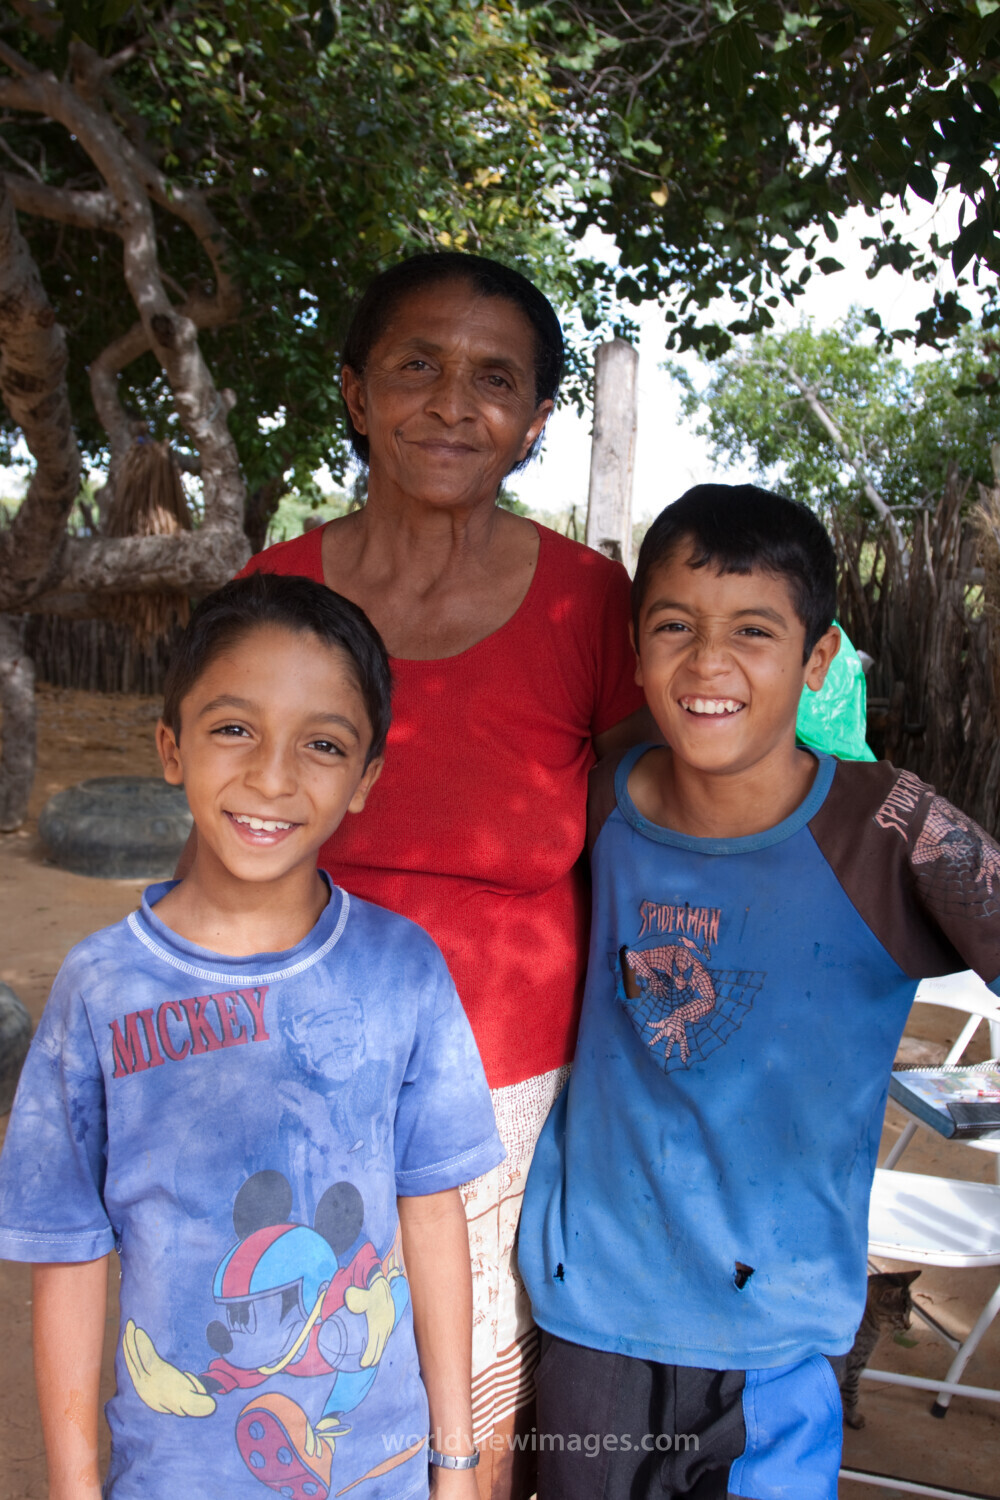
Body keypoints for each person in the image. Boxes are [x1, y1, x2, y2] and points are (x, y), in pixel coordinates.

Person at [234, 251, 646, 1498]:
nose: (451, 404)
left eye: (493, 379)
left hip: (511, 1102)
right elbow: (221, 842)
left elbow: (646, 831)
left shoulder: (591, 608)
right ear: (357, 393)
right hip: (292, 1071)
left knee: (471, 1424)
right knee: (298, 1388)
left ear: (531, 422)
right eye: (417, 365)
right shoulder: (272, 593)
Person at [519, 484, 1000, 1500]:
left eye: (752, 630)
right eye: (674, 627)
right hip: (591, 1319)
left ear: (815, 659)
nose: (707, 664)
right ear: (637, 646)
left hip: (778, 1337)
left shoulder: (890, 833)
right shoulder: (596, 800)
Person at [0, 573, 505, 1500]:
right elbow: (68, 1255)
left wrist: (456, 1462)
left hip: (379, 1474)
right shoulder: (101, 989)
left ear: (366, 781)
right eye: (235, 728)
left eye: (322, 744)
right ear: (170, 747)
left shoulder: (402, 970)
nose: (273, 775)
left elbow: (431, 1215)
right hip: (175, 1479)